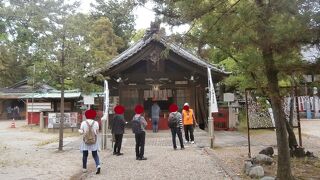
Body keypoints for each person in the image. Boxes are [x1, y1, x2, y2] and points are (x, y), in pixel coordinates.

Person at [79, 109, 101, 174]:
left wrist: (81, 131)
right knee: (95, 154)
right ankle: (98, 166)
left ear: (86, 115)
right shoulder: (96, 123)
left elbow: (81, 132)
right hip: (94, 141)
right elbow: (97, 132)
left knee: (85, 155)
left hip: (85, 141)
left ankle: (84, 168)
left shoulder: (83, 123)